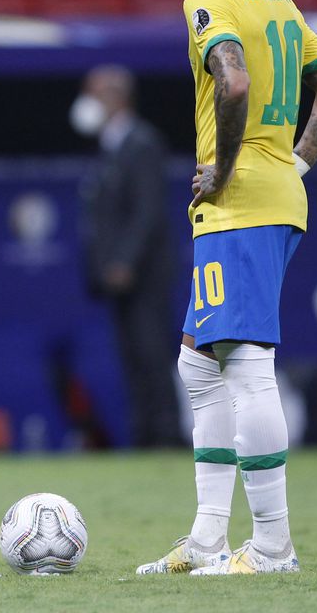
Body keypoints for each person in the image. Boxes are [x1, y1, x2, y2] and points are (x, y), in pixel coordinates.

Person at [137, 0, 317, 576]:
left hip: (238, 205)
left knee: (246, 366)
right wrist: (294, 163)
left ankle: (270, 547)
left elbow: (230, 82)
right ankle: (205, 541)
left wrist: (225, 168)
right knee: (198, 365)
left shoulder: (211, 1)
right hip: (274, 195)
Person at [73, 64, 180, 448]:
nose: (86, 103)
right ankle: (143, 435)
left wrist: (125, 261)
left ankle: (167, 435)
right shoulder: (110, 145)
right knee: (131, 358)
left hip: (144, 275)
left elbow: (147, 211)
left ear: (116, 97)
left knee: (152, 354)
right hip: (115, 278)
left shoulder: (143, 142)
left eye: (94, 94)